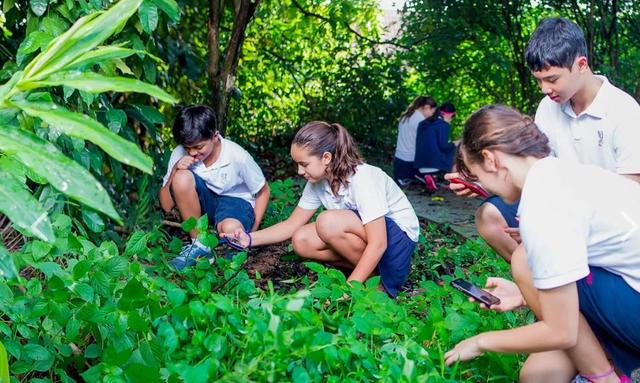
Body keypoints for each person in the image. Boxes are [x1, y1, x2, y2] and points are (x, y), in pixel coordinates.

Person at [444, 104, 640, 382]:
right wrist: (525, 297)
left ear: (490, 160)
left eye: (480, 177)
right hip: (626, 290)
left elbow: (562, 331)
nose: (486, 189)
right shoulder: (562, 173)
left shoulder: (542, 203)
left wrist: (481, 341)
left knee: (523, 260)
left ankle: (603, 378)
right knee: (537, 376)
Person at [446, 17, 640, 262]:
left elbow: (629, 197)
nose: (544, 89)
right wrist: (486, 183)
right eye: (539, 80)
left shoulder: (624, 111)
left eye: (552, 79)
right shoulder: (547, 108)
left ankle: (569, 282)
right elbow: (536, 173)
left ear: (581, 64)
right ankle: (542, 280)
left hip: (608, 218)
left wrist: (556, 225)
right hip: (558, 202)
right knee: (489, 217)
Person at [224, 121, 420, 297]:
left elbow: (379, 243)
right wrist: (248, 239)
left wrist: (348, 290)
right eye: (297, 165)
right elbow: (292, 224)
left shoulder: (363, 178)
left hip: (396, 244)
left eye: (304, 164)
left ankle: (379, 285)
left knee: (327, 222)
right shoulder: (318, 182)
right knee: (301, 240)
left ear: (326, 157)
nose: (300, 171)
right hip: (371, 239)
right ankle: (370, 275)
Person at [159, 105, 270, 269]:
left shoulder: (237, 156)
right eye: (187, 148)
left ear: (215, 136)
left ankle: (231, 247)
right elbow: (166, 206)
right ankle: (200, 245)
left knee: (231, 230)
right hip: (203, 202)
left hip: (235, 202)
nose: (192, 153)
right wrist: (176, 169)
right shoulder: (179, 153)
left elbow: (263, 190)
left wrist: (252, 232)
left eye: (198, 147)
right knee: (181, 177)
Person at [394, 96, 438, 186]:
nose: (432, 115)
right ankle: (424, 175)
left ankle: (407, 177)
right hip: (412, 162)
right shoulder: (422, 121)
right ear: (426, 107)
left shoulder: (405, 116)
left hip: (399, 161)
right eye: (432, 112)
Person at [413, 101, 457, 191]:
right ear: (448, 115)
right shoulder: (443, 125)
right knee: (455, 149)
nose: (452, 119)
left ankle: (431, 177)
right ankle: (453, 181)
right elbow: (443, 147)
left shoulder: (423, 123)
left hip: (420, 165)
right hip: (434, 164)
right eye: (453, 116)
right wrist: (455, 143)